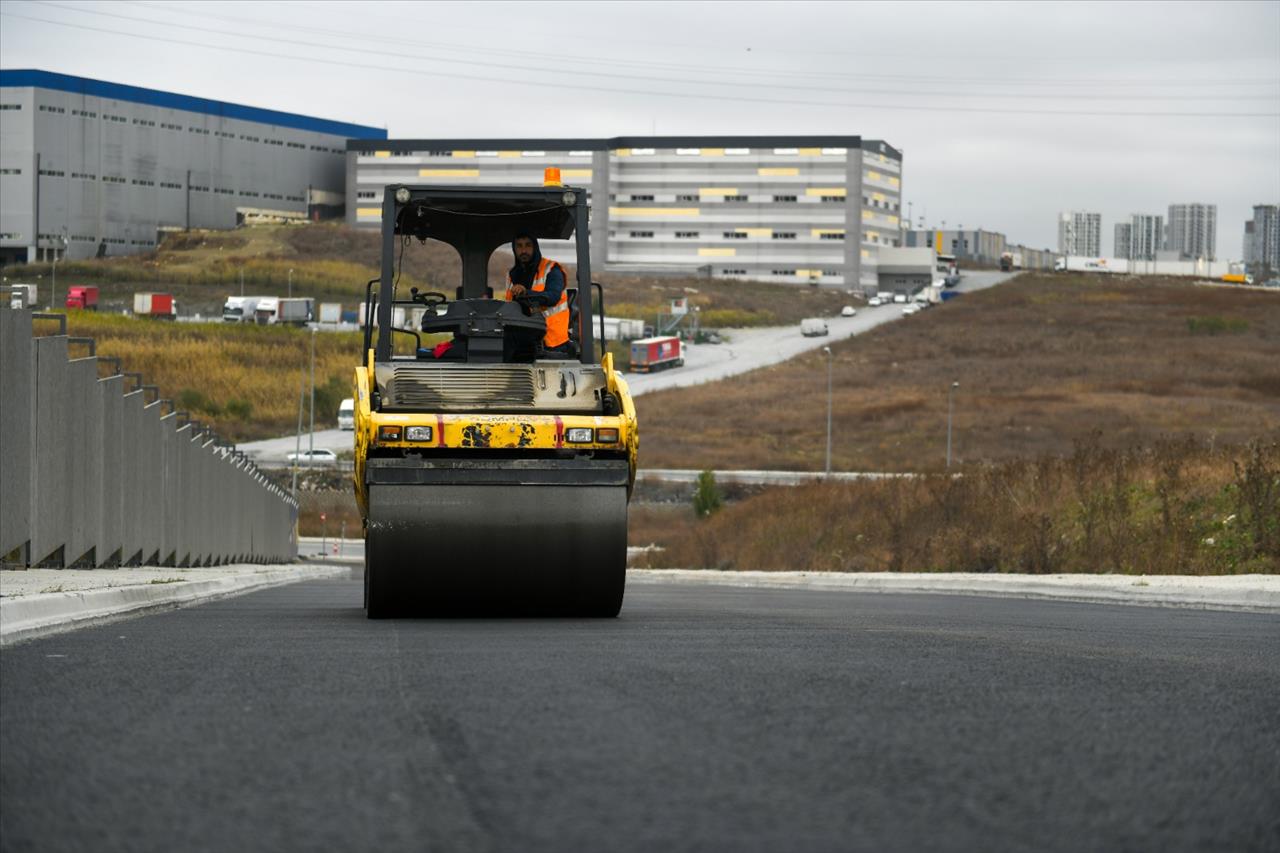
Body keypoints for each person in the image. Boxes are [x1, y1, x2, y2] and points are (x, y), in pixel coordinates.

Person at [506, 233, 573, 356]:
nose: (524, 250)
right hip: (523, 337)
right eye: (519, 246)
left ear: (535, 247)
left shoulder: (551, 269)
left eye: (528, 245)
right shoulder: (513, 275)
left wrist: (526, 292)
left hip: (551, 340)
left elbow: (553, 297)